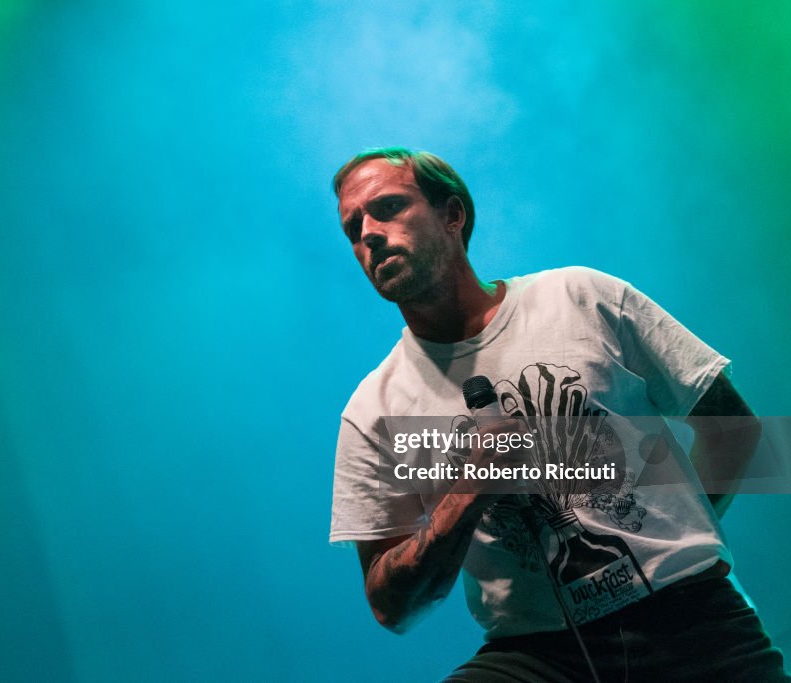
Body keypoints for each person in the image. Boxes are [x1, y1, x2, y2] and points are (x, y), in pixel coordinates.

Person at [328, 147, 788, 682]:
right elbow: (391, 608)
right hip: (539, 655)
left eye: (387, 207)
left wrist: (676, 540)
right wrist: (466, 495)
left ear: (453, 214)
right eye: (353, 226)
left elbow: (735, 431)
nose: (369, 233)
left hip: (691, 618)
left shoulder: (580, 296)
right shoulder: (372, 410)